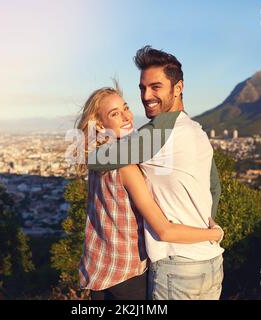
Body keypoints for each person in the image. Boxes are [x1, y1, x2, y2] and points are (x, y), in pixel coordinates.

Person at [87, 46, 225, 300]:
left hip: (178, 267)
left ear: (178, 87)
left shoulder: (158, 133)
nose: (146, 95)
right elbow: (214, 187)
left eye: (156, 87)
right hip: (211, 261)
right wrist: (207, 227)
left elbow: (98, 159)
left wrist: (92, 149)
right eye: (142, 88)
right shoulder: (197, 131)